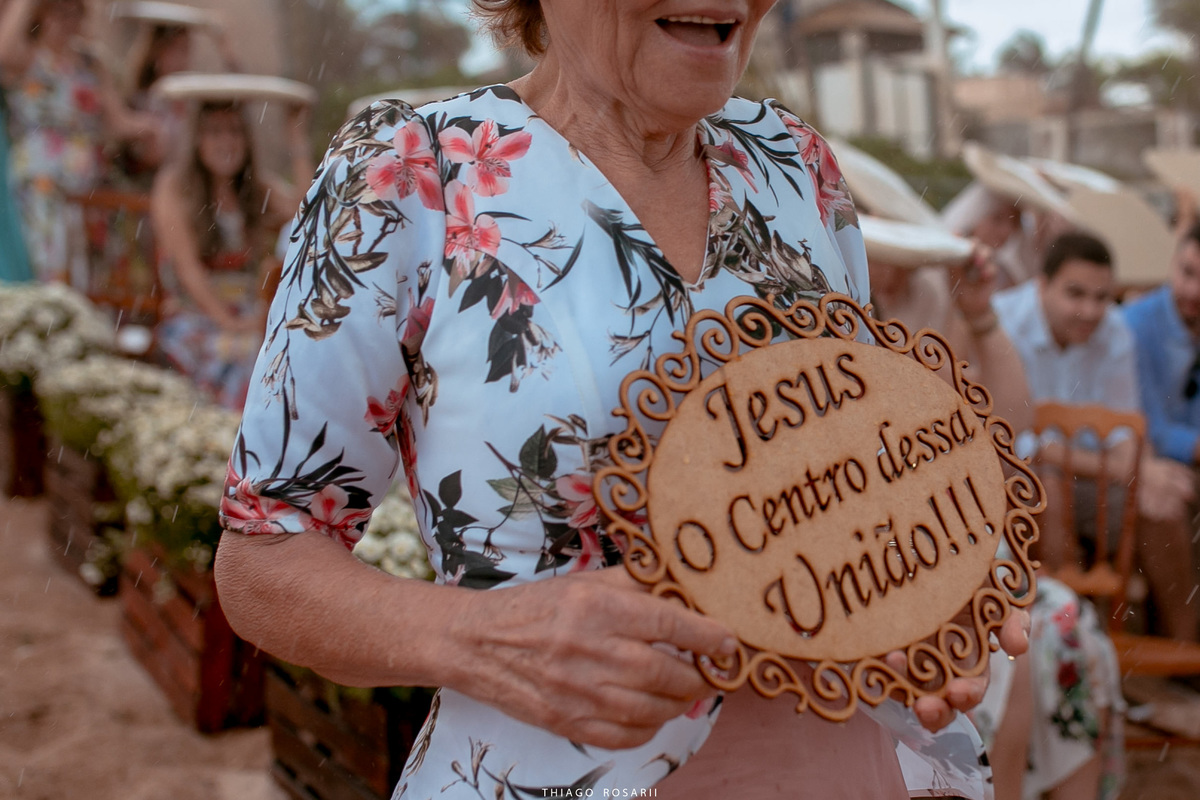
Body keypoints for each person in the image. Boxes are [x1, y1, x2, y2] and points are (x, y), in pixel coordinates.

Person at [214, 2, 1027, 798]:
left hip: (847, 767)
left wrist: (934, 591)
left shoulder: (793, 163)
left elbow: (850, 475)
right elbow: (264, 557)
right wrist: (483, 638)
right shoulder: (414, 174)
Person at [150, 98, 309, 409]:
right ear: (198, 140)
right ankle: (228, 443)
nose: (227, 142)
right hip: (195, 313)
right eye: (215, 132)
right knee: (244, 356)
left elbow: (309, 213)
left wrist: (296, 138)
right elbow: (188, 270)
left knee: (295, 352)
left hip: (250, 315)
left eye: (235, 132)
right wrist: (229, 322)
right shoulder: (174, 187)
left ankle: (273, 446)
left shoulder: (256, 188)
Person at [0, 0, 153, 285]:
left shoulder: (90, 61)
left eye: (74, 13)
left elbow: (117, 121)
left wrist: (152, 126)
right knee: (48, 260)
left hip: (86, 183)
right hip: (41, 180)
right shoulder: (29, 57)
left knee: (84, 264)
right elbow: (4, 51)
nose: (66, 21)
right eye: (58, 13)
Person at [1123, 222, 1200, 639]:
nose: (1193, 291)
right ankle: (1183, 644)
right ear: (1173, 264)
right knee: (1170, 502)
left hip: (1183, 456)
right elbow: (1143, 420)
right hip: (1148, 457)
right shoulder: (1135, 325)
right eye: (1188, 273)